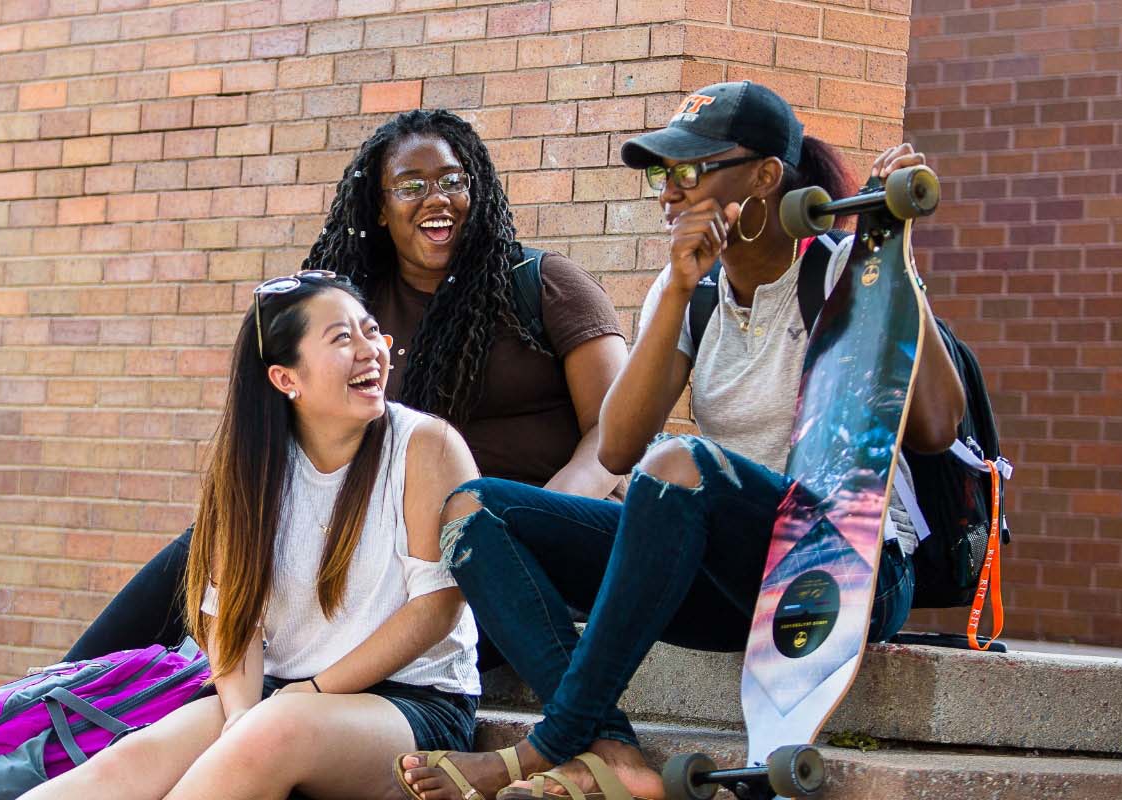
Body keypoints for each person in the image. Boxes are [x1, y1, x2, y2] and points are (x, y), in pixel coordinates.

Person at [396, 81, 970, 800]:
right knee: (474, 511)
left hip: (850, 574)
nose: (671, 191)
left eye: (693, 170)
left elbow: (938, 427)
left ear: (765, 178)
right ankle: (614, 751)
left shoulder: (838, 271)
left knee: (680, 462)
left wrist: (888, 256)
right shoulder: (696, 297)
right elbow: (616, 449)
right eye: (663, 172)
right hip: (738, 580)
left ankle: (551, 743)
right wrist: (673, 286)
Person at [62, 109, 627, 667]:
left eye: (453, 181)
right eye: (411, 186)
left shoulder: (545, 285)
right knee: (212, 535)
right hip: (387, 539)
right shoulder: (358, 312)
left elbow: (614, 433)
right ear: (380, 210)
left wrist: (531, 518)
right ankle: (41, 696)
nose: (437, 199)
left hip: (515, 545)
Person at [20, 273, 480, 800]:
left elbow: (435, 610)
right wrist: (240, 711)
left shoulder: (427, 446)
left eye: (370, 330)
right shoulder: (251, 468)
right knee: (129, 762)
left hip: (413, 703)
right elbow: (229, 613)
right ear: (286, 379)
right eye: (341, 338)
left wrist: (302, 697)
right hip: (276, 694)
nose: (370, 350)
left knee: (271, 734)